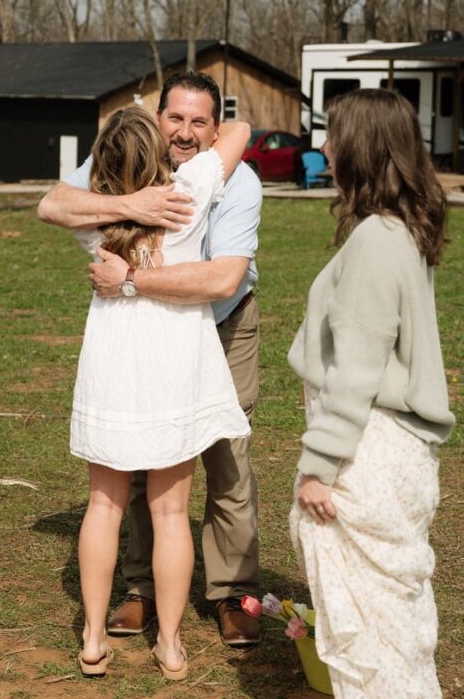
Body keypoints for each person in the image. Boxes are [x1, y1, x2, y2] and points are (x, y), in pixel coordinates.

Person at [38, 71, 263, 647]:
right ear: (157, 122)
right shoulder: (182, 189)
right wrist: (132, 201)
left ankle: (230, 593)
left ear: (212, 128)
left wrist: (132, 275)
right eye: (174, 119)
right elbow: (53, 202)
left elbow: (225, 277)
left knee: (224, 467)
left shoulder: (228, 183)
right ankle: (148, 605)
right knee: (162, 501)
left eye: (199, 122)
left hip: (219, 328)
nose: (186, 132)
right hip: (171, 346)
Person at [288, 88, 454, 699]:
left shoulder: (375, 241)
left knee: (369, 632)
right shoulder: (403, 229)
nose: (324, 148)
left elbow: (356, 371)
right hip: (398, 449)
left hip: (369, 451)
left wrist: (318, 468)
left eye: (333, 136)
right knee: (394, 616)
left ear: (360, 148)